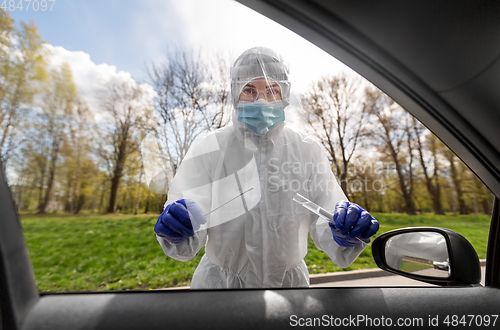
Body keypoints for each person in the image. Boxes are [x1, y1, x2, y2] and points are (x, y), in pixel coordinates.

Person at [154, 47, 379, 289]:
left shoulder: (307, 150)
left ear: (284, 96)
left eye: (271, 90)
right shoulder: (209, 148)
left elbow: (327, 213)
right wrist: (176, 228)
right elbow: (190, 218)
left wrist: (347, 231)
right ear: (235, 94)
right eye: (249, 90)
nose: (260, 100)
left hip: (289, 287)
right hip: (220, 286)